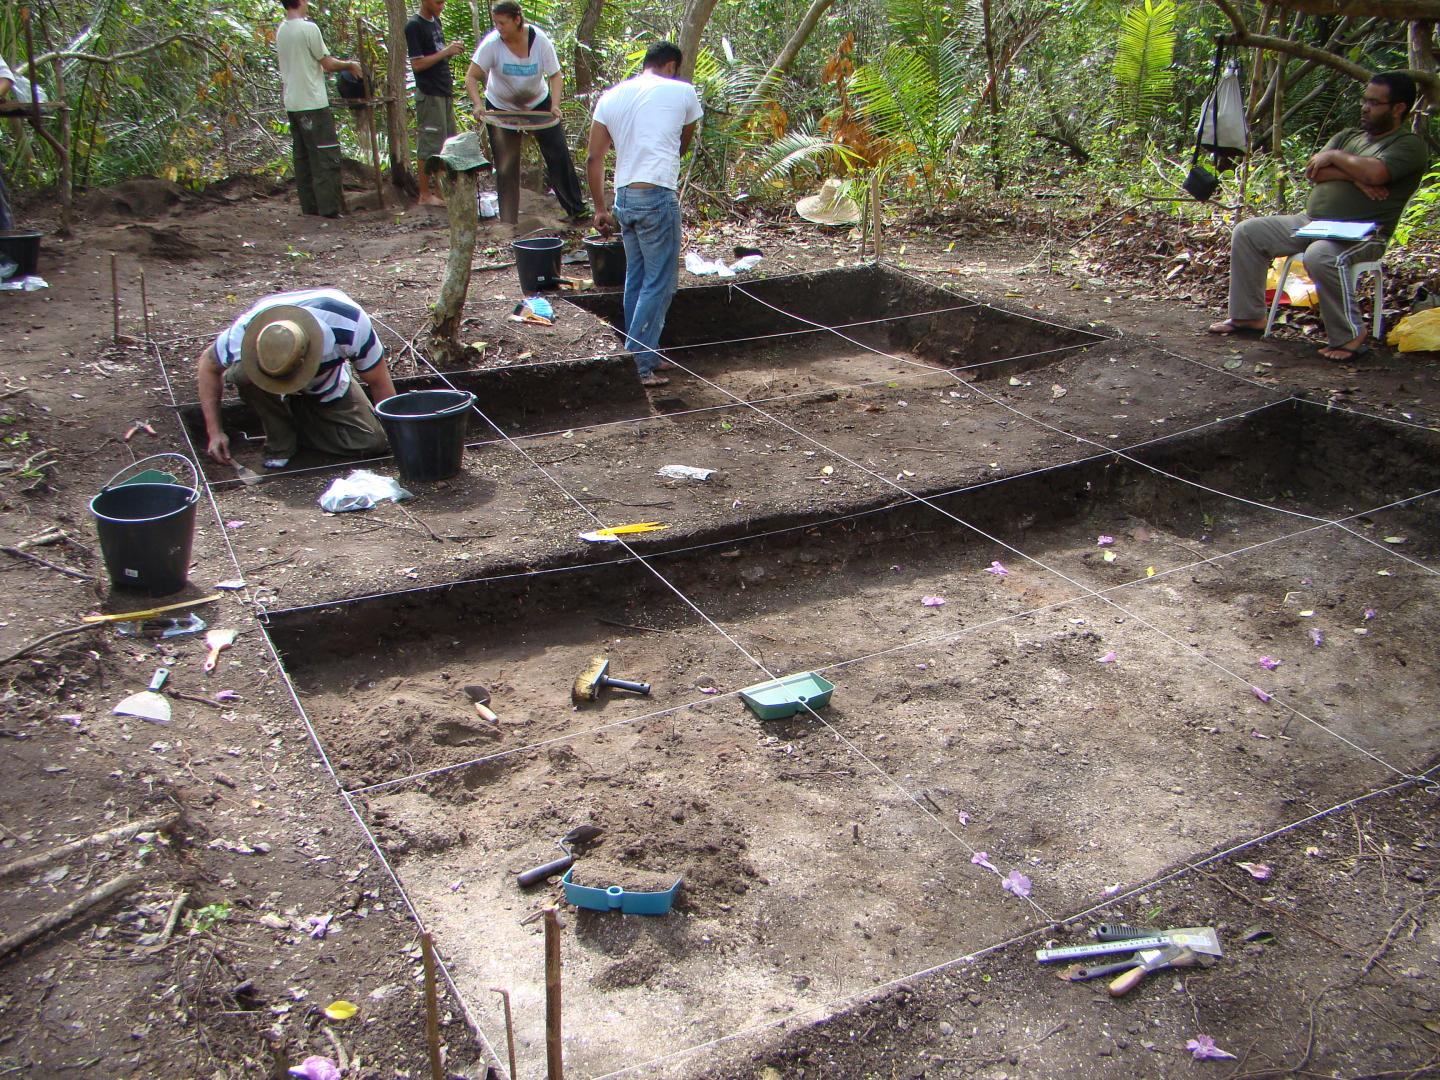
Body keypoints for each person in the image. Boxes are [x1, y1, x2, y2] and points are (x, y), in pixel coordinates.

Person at [1208, 72, 1428, 361]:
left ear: (1398, 108)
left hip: (1363, 232)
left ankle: (1349, 336)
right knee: (1248, 232)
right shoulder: (1348, 136)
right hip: (1311, 221)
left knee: (1321, 255)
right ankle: (1248, 317)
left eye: (1374, 102)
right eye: (1365, 100)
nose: (1365, 107)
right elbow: (1315, 171)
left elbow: (1377, 173)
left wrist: (1337, 159)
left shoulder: (1408, 145)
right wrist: (1357, 176)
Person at [586, 41, 703, 387]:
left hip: (625, 197)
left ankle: (645, 354)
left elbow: (594, 158)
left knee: (636, 278)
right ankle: (638, 363)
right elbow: (682, 142)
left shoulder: (611, 97)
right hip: (656, 195)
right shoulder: (682, 91)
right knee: (660, 282)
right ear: (671, 65)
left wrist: (600, 208)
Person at [198, 288, 397, 470]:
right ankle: (280, 440)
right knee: (241, 374)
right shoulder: (246, 332)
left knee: (372, 441)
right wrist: (214, 433)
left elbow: (378, 381)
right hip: (268, 389)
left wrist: (398, 439)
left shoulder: (350, 325)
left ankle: (301, 424)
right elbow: (208, 365)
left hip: (327, 385)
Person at [464, 0, 587, 224]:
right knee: (506, 165)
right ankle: (508, 221)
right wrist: (477, 104)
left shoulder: (540, 41)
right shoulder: (492, 44)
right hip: (501, 107)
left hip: (538, 103)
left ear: (517, 20)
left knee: (558, 154)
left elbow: (555, 75)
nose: (498, 27)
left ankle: (576, 210)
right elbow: (471, 76)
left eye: (502, 23)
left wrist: (555, 105)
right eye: (495, 23)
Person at [276, 0, 363, 218]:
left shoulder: (282, 30)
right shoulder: (308, 29)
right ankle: (329, 209)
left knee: (303, 157)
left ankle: (310, 208)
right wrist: (350, 65)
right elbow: (328, 64)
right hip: (313, 103)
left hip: (293, 103)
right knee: (325, 154)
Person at [406, 0, 465, 207]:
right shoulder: (414, 26)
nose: (442, 5)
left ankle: (440, 192)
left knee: (446, 144)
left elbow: (437, 55)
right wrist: (445, 52)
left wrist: (449, 52)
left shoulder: (436, 21)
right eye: (438, 1)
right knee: (429, 144)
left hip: (444, 91)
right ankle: (424, 193)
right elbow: (417, 64)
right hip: (429, 94)